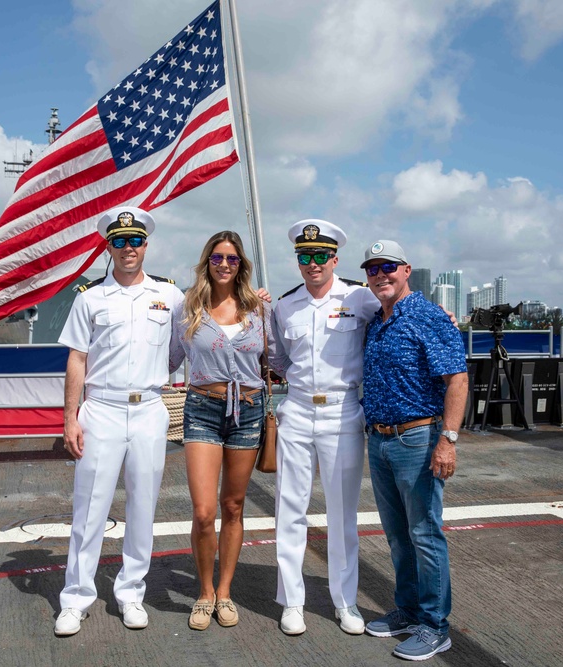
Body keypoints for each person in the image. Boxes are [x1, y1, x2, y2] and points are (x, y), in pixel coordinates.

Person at [54, 206, 184, 636]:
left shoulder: (171, 296)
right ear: (108, 245)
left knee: (143, 507)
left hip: (148, 408)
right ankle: (76, 598)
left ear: (146, 245)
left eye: (135, 241)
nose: (128, 248)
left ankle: (131, 593)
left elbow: (188, 341)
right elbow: (77, 357)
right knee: (89, 509)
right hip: (102, 409)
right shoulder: (90, 296)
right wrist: (70, 417)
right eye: (119, 241)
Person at [359, 239, 467, 661]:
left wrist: (448, 440)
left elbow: (456, 380)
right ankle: (407, 611)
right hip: (380, 438)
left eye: (388, 266)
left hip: (417, 439)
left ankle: (436, 626)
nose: (380, 275)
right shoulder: (376, 318)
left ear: (406, 269)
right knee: (398, 535)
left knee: (425, 533)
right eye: (372, 269)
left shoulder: (427, 316)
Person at [268, 219, 375, 636]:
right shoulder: (284, 306)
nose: (312, 263)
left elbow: (395, 311)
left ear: (335, 258)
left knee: (342, 513)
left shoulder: (359, 298)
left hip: (343, 411)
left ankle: (345, 601)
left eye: (319, 256)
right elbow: (277, 359)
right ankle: (292, 601)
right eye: (304, 256)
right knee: (289, 510)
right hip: (295, 410)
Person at [168, 230, 269, 631]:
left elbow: (278, 357)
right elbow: (169, 357)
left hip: (249, 409)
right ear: (206, 262)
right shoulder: (189, 307)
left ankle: (225, 592)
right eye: (217, 258)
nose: (224, 264)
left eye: (231, 258)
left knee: (233, 506)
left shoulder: (259, 310)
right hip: (202, 409)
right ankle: (204, 592)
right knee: (204, 511)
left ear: (240, 264)